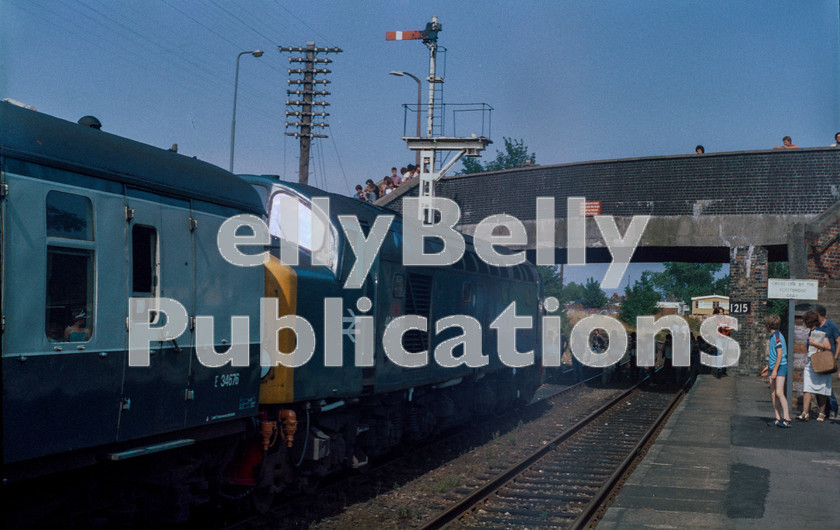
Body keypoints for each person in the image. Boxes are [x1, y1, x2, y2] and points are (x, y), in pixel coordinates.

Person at [796, 310, 832, 422]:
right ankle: (804, 412)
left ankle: (821, 413)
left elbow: (828, 346)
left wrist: (814, 343)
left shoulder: (820, 331)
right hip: (810, 361)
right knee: (807, 388)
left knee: (821, 389)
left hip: (820, 362)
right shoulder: (812, 331)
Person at [762, 314, 791, 427]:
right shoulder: (773, 336)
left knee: (779, 392)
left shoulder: (777, 336)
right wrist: (768, 367)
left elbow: (780, 354)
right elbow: (774, 355)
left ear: (768, 325)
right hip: (774, 366)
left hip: (780, 367)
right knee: (773, 393)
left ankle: (787, 418)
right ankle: (777, 418)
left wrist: (774, 370)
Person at [813, 305, 840, 419]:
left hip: (828, 359)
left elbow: (838, 341)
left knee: (826, 385)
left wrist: (835, 356)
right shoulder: (815, 326)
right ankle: (825, 409)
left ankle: (833, 408)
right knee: (817, 385)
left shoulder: (831, 326)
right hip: (817, 359)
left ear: (819, 314)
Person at [711, 306, 731, 378]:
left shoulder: (727, 319)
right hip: (718, 337)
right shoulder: (714, 320)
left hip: (726, 337)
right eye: (719, 313)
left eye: (722, 312)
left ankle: (723, 369)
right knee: (720, 352)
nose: (721, 314)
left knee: (724, 353)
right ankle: (719, 369)